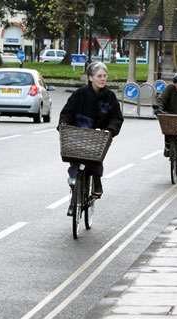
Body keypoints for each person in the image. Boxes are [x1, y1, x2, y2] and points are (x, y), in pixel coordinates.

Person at [58, 62, 123, 215]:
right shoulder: (79, 94)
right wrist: (63, 124)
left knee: (95, 158)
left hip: (98, 135)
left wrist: (110, 130)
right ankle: (74, 199)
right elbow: (67, 112)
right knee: (75, 162)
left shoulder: (109, 96)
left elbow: (116, 117)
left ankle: (97, 181)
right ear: (90, 78)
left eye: (105, 76)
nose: (103, 79)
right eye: (99, 76)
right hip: (78, 134)